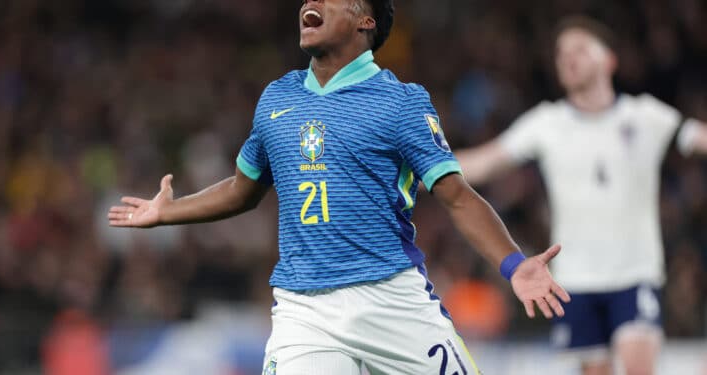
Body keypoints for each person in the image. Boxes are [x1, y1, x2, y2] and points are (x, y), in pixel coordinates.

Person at [109, 1, 570, 373]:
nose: (310, 2)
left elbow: (457, 195)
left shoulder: (401, 102)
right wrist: (169, 211)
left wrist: (513, 265)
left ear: (364, 19)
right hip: (305, 309)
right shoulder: (276, 98)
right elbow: (241, 189)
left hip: (391, 299)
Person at [455, 16, 707, 375]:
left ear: (609, 60)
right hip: (575, 281)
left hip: (635, 275)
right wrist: (421, 167)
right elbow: (484, 162)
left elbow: (699, 138)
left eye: (579, 49)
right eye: (561, 53)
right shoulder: (546, 122)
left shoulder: (645, 115)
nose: (568, 58)